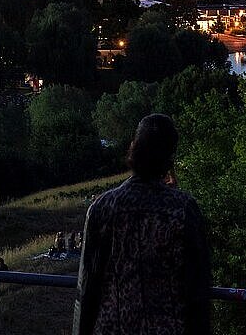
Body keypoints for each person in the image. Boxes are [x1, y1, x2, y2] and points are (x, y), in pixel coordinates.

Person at [75, 114, 212, 335]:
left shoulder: (103, 207)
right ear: (170, 157)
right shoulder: (184, 209)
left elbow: (87, 287)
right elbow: (198, 292)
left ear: (133, 148)